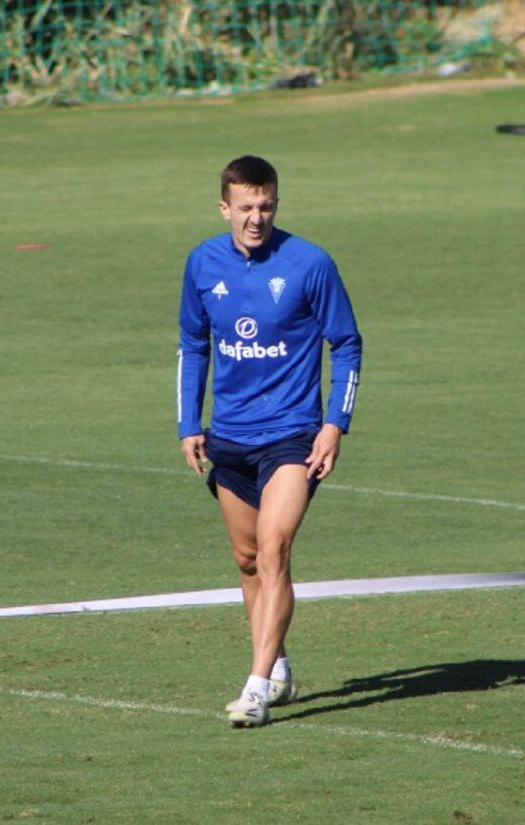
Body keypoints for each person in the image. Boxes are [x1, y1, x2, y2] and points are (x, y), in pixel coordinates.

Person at [176, 155, 362, 727]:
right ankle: (278, 666)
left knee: (276, 547)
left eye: (267, 206)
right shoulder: (202, 263)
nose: (257, 218)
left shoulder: (310, 263)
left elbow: (348, 345)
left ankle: (255, 688)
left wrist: (334, 424)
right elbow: (193, 343)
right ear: (225, 208)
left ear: (276, 204)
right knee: (249, 559)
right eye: (246, 207)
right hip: (228, 438)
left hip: (292, 435)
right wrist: (189, 423)